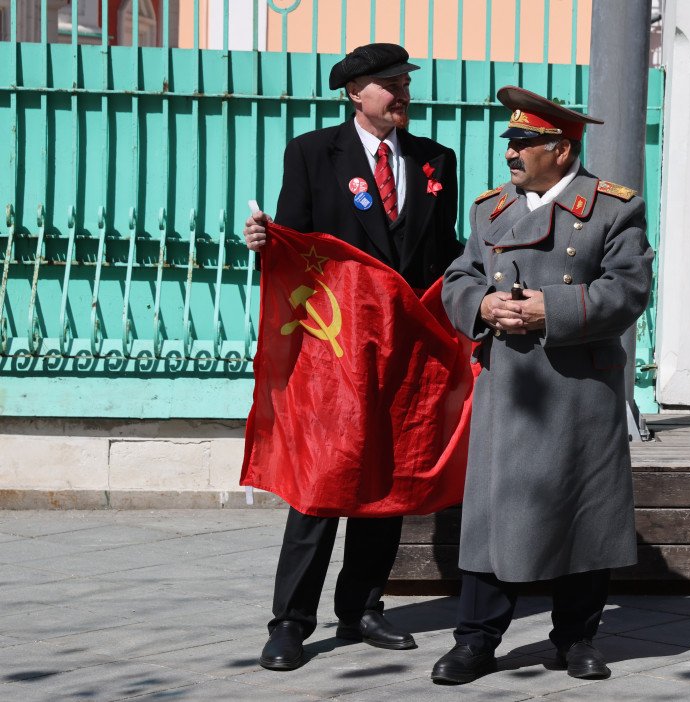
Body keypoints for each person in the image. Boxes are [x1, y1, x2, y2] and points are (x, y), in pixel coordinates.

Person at [243, 42, 462, 671]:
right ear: (354, 93)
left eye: (404, 81)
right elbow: (294, 245)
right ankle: (290, 621)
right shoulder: (314, 153)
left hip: (405, 352)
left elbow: (443, 253)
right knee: (321, 482)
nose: (401, 92)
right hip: (333, 352)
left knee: (387, 478)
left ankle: (364, 607)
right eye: (388, 83)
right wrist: (264, 243)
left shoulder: (434, 160)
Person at [433, 85, 654, 684]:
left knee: (582, 512)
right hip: (509, 387)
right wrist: (481, 306)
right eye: (510, 140)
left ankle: (577, 639)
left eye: (524, 141)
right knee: (490, 516)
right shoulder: (490, 209)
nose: (512, 151)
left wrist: (548, 311)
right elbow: (459, 274)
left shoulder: (613, 208)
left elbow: (628, 290)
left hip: (579, 386)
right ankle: (476, 640)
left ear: (561, 149)